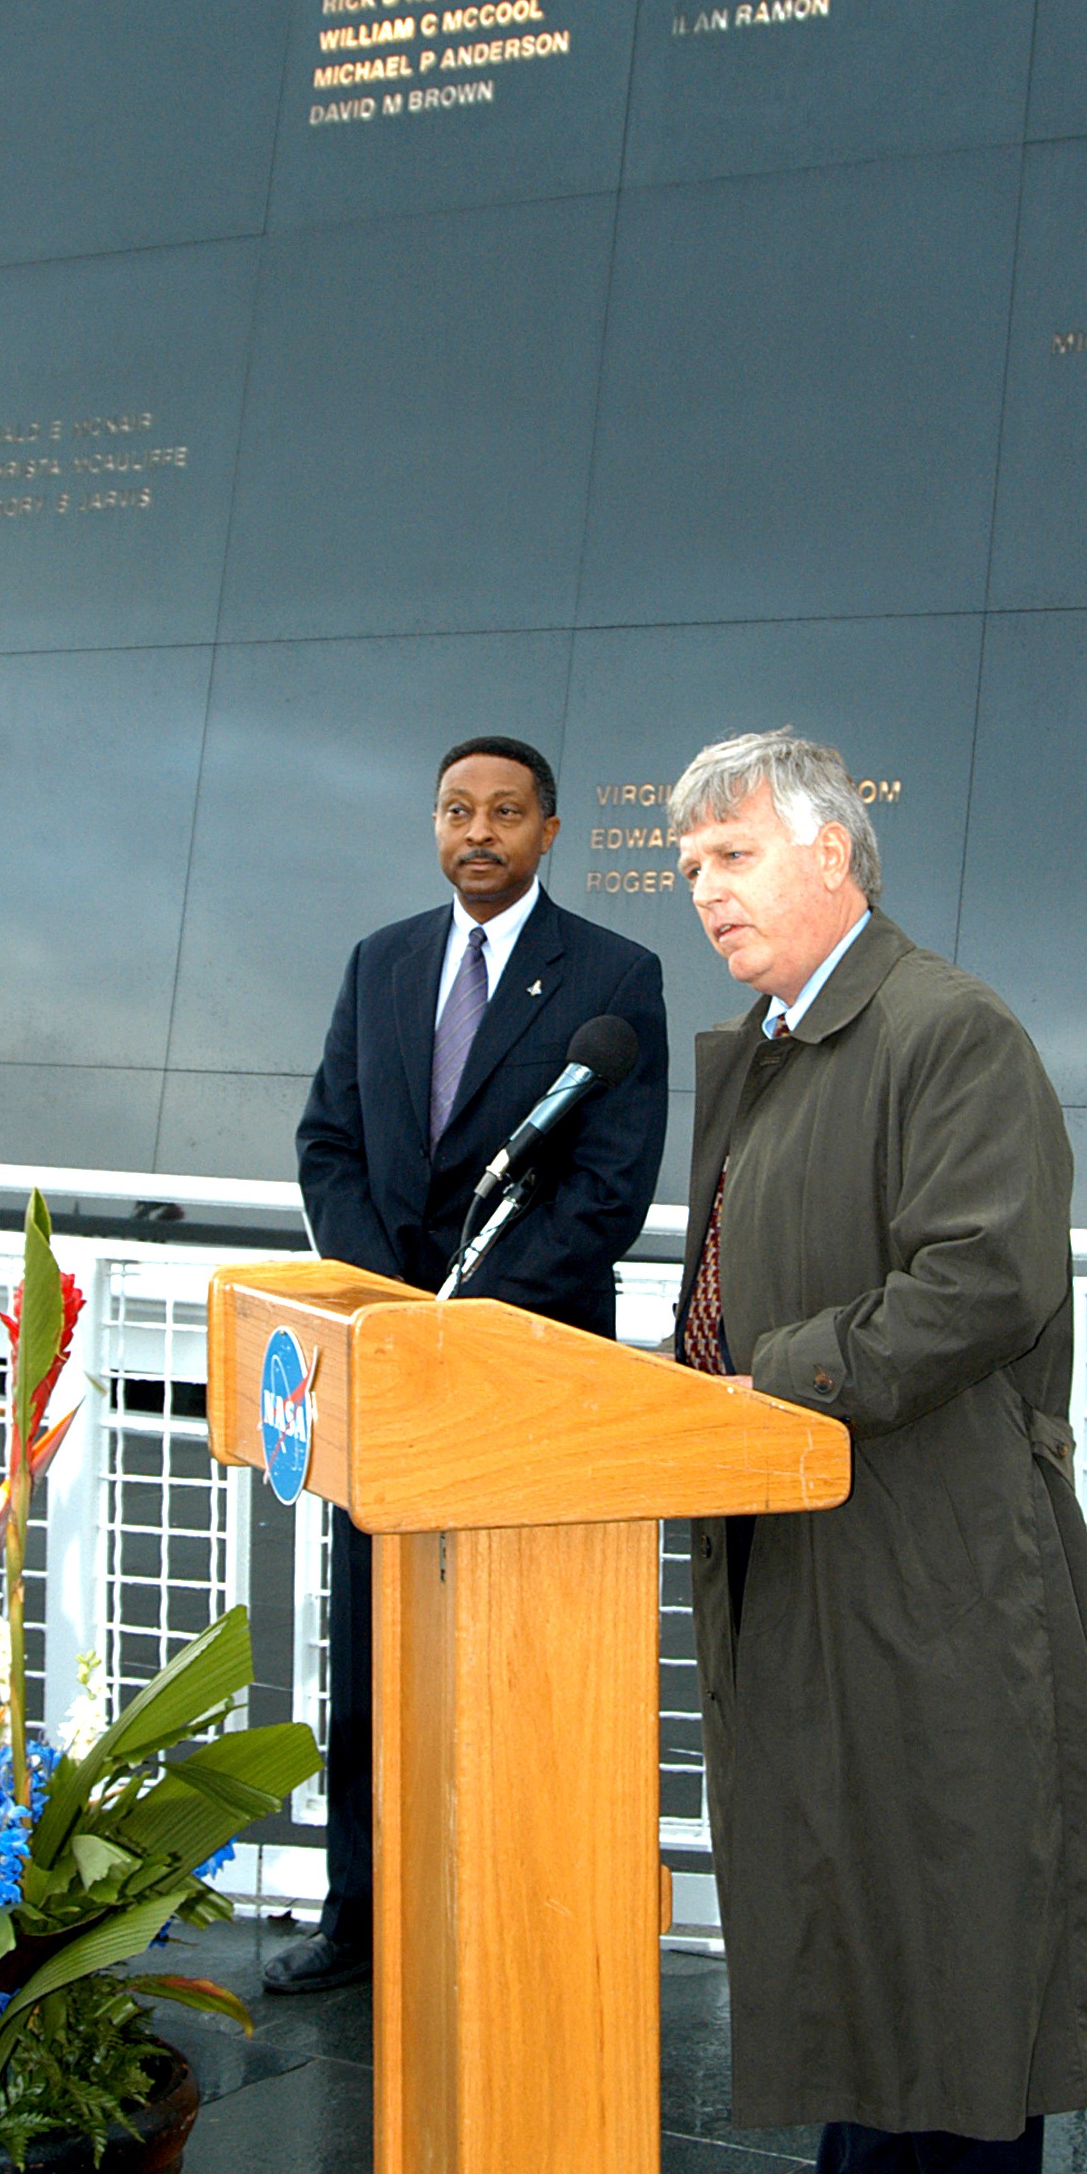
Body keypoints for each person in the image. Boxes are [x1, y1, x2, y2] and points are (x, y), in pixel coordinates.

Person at [669, 727, 1087, 2174]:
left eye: (732, 855)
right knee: (839, 1886)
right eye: (690, 868)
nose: (706, 892)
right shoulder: (769, 1050)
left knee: (956, 1905)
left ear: (833, 854)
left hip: (936, 1553)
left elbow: (982, 1281)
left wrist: (770, 1384)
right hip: (801, 1541)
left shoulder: (950, 1033)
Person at [280, 735, 670, 1992]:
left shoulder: (617, 977)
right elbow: (328, 1142)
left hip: (524, 1374)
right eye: (457, 810)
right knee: (373, 1653)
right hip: (383, 1375)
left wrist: (462, 1316)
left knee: (515, 1664)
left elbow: (604, 1196)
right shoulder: (380, 961)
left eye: (506, 812)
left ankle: (517, 1931)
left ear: (550, 830)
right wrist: (389, 1307)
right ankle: (361, 1920)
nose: (478, 831)